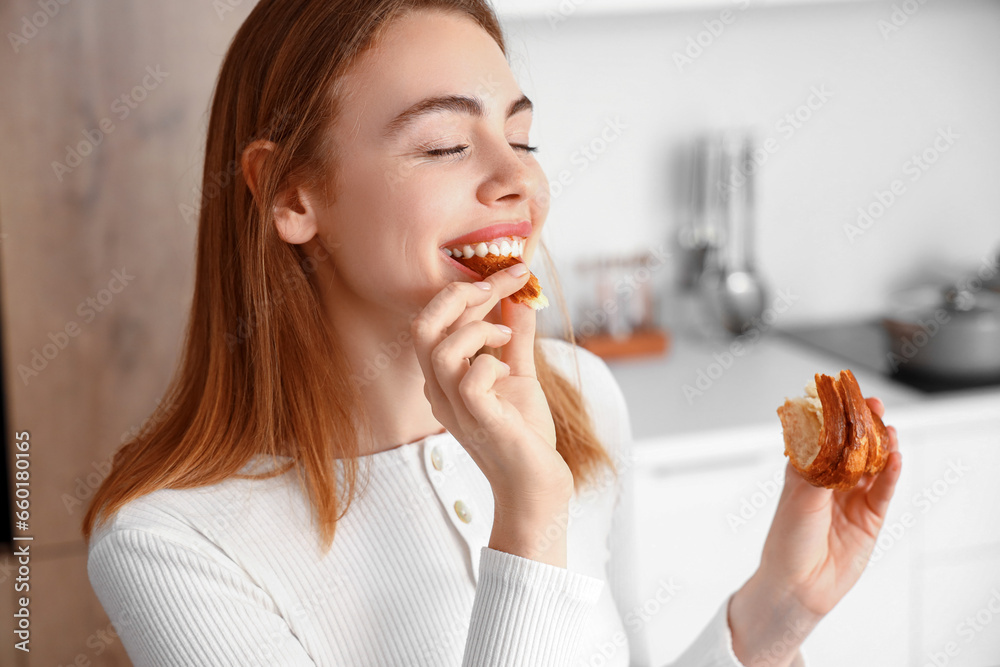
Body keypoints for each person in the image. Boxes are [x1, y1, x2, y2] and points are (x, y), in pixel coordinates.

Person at [82, 1, 903, 665]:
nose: (519, 180)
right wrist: (529, 517)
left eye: (521, 137)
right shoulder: (168, 543)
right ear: (291, 193)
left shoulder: (579, 397)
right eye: (444, 144)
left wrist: (770, 622)